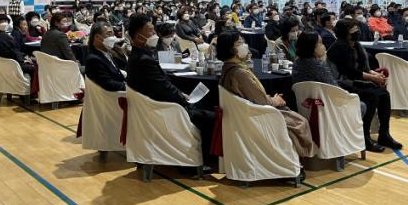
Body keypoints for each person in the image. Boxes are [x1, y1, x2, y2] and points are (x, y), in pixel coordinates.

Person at [126, 14, 215, 167]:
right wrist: (182, 98)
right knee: (211, 116)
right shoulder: (143, 60)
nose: (154, 35)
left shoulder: (139, 55)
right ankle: (205, 162)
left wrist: (180, 93)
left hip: (156, 103)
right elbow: (163, 88)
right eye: (150, 31)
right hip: (163, 108)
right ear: (139, 36)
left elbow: (162, 85)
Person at [217, 31, 315, 169]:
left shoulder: (228, 68)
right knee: (300, 122)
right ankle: (293, 162)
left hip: (246, 114)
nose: (244, 45)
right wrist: (275, 101)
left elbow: (253, 96)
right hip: (258, 117)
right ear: (230, 49)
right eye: (239, 43)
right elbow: (260, 101)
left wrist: (272, 99)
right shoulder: (240, 73)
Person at [328, 20, 402, 152]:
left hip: (356, 80)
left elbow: (363, 68)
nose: (357, 32)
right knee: (371, 96)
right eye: (353, 30)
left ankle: (384, 134)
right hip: (342, 83)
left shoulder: (356, 46)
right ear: (345, 33)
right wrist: (372, 78)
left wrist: (375, 74)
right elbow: (349, 71)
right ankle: (365, 137)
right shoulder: (338, 48)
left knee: (384, 94)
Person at [292, 32, 366, 117]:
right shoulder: (319, 65)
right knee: (361, 105)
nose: (324, 46)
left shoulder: (296, 63)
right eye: (320, 43)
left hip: (306, 107)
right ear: (312, 47)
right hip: (326, 108)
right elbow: (336, 90)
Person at [85, 21, 126, 92]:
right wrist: (128, 87)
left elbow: (122, 66)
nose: (113, 37)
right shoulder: (94, 59)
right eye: (109, 34)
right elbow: (108, 83)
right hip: (114, 95)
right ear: (97, 37)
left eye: (113, 34)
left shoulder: (107, 51)